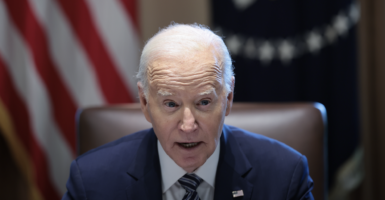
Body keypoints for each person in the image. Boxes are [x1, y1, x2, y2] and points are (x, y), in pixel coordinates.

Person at [62, 23, 314, 200]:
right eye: (170, 104)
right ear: (144, 103)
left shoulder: (284, 177)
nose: (188, 125)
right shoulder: (92, 182)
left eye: (203, 102)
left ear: (228, 98)